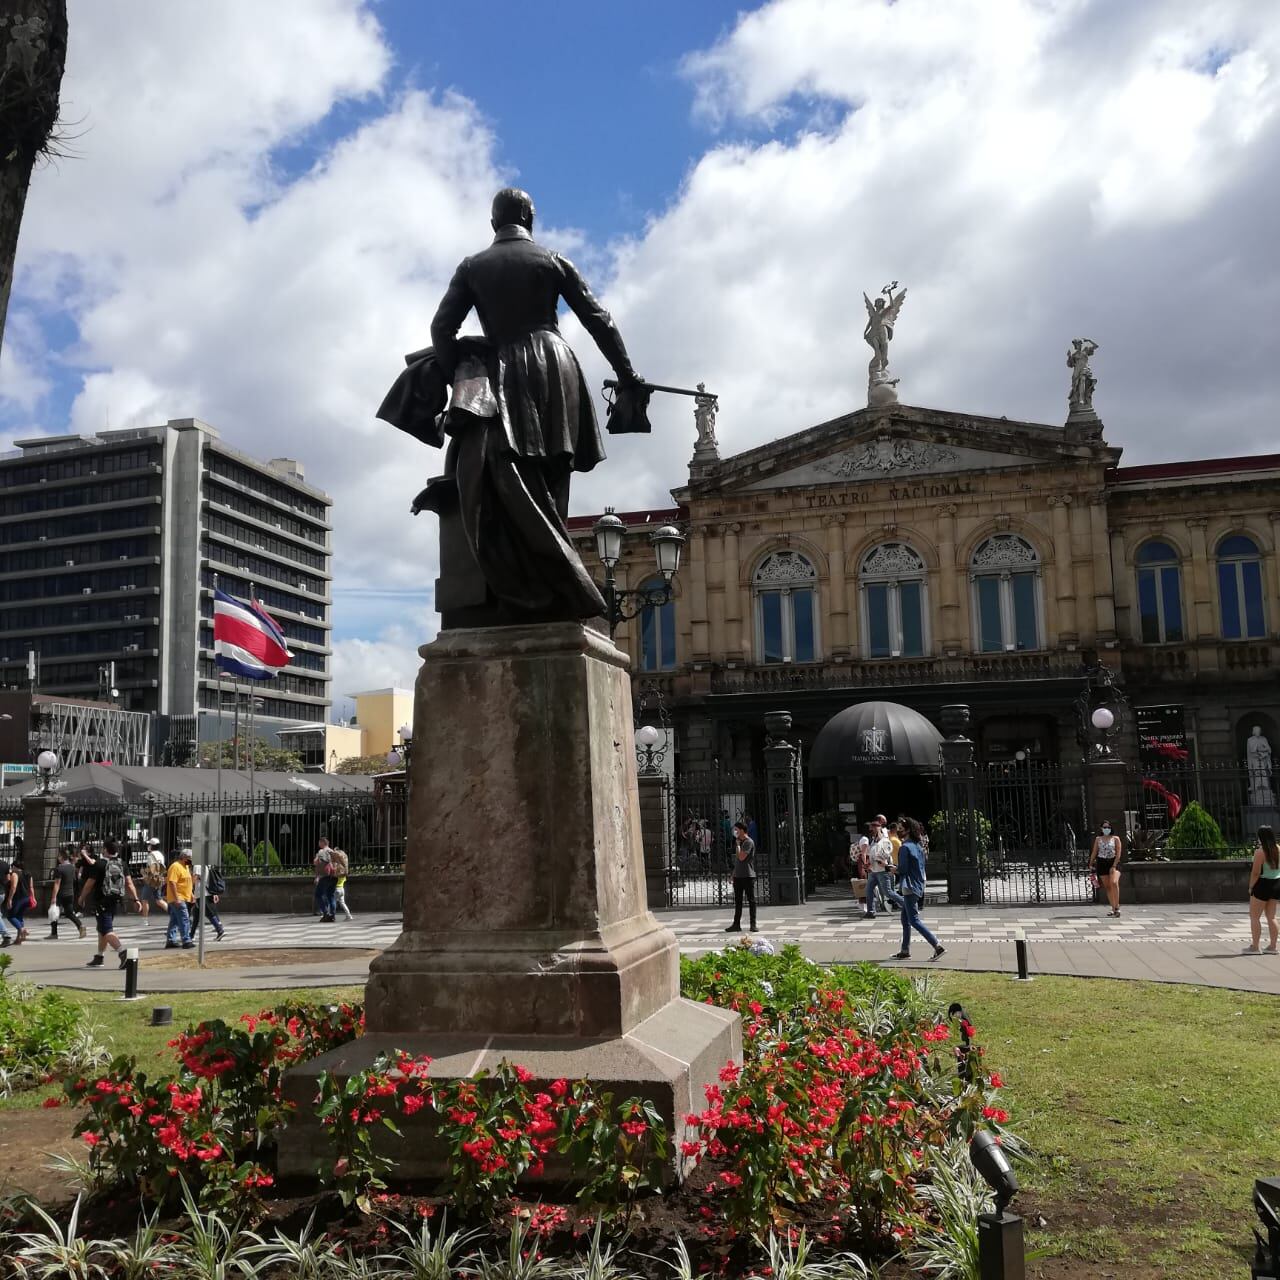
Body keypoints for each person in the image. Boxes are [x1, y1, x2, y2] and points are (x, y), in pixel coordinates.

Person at [78, 837, 141, 968]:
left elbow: (89, 884)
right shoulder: (121, 863)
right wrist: (136, 899)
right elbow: (129, 883)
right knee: (102, 930)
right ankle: (99, 956)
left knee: (107, 930)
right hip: (115, 899)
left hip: (102, 901)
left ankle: (123, 953)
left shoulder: (99, 864)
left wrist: (81, 898)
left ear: (105, 849)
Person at [891, 818, 945, 961]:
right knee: (905, 919)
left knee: (913, 920)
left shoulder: (905, 847)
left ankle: (937, 946)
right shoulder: (918, 846)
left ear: (908, 830)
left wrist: (892, 869)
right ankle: (905, 950)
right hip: (918, 885)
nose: (898, 831)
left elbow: (903, 869)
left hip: (908, 886)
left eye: (901, 828)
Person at [1246, 824, 1280, 955]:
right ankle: (1273, 946)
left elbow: (1255, 873)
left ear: (1261, 837)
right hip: (1276, 884)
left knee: (1254, 916)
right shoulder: (1278, 848)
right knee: (1271, 917)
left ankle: (1255, 947)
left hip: (1263, 885)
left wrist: (1251, 887)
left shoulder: (1260, 852)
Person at [865, 819, 903, 919]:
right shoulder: (873, 841)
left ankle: (909, 906)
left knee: (888, 893)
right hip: (874, 871)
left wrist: (880, 862)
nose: (871, 831)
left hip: (882, 872)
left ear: (879, 829)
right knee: (868, 890)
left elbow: (885, 856)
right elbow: (871, 854)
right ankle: (871, 911)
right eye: (870, 829)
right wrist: (869, 863)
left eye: (873, 829)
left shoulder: (885, 841)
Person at [46, 847, 86, 940]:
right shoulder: (72, 867)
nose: (57, 858)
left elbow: (57, 884)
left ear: (62, 857)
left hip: (61, 894)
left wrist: (53, 897)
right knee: (69, 913)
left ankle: (54, 933)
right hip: (70, 893)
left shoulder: (59, 869)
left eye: (59, 856)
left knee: (53, 912)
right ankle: (80, 926)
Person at [725, 820, 757, 934]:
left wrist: (738, 845)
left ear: (742, 830)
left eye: (736, 830)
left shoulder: (748, 842)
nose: (735, 832)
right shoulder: (740, 842)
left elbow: (741, 857)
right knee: (738, 901)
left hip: (748, 876)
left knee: (751, 900)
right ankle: (736, 924)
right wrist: (733, 875)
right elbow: (738, 862)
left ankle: (753, 924)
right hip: (738, 876)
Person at [1088, 820, 1123, 917]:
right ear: (1101, 828)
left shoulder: (1115, 838)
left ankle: (1117, 907)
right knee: (1107, 886)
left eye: (1108, 827)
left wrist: (1114, 865)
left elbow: (1119, 853)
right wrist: (1090, 863)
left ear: (1111, 828)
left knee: (1114, 882)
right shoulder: (1098, 839)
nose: (1106, 829)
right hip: (1102, 862)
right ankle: (1113, 908)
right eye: (1104, 827)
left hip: (1113, 862)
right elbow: (1095, 852)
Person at [163, 848, 195, 950]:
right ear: (184, 857)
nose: (191, 861)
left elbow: (187, 882)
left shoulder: (185, 867)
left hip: (182, 897)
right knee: (184, 918)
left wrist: (191, 895)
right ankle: (186, 940)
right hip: (177, 898)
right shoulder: (175, 867)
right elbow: (172, 882)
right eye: (190, 858)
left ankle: (171, 940)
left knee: (175, 920)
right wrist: (177, 898)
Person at [190, 860, 226, 942]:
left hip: (201, 894)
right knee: (196, 915)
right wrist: (214, 893)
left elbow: (194, 879)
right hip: (207, 892)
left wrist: (188, 886)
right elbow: (209, 880)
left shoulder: (198, 865)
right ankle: (191, 935)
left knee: (209, 914)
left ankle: (220, 930)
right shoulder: (208, 864)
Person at [3, 855, 33, 943]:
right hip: (27, 898)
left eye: (12, 867)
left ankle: (22, 929)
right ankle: (19, 939)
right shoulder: (28, 874)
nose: (11, 869)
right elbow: (31, 887)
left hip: (18, 898)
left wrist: (9, 899)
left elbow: (14, 887)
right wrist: (33, 897)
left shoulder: (15, 874)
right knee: (19, 917)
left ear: (15, 867)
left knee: (10, 916)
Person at [139, 839, 166, 922]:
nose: (148, 846)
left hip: (151, 880)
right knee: (159, 900)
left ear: (152, 846)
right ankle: (173, 913)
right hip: (159, 879)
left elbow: (151, 868)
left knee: (144, 900)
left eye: (149, 844)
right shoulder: (160, 855)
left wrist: (144, 874)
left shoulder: (151, 855)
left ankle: (145, 921)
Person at [314, 838, 338, 923]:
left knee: (318, 894)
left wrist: (318, 876)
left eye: (319, 842)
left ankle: (326, 914)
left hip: (325, 876)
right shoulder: (333, 851)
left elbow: (318, 864)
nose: (318, 844)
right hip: (334, 876)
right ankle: (333, 916)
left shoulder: (322, 851)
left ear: (323, 842)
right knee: (331, 895)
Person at [329, 842, 350, 922]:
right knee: (342, 903)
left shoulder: (336, 873)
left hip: (336, 889)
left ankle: (330, 915)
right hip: (342, 889)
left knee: (331, 902)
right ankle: (349, 915)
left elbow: (333, 877)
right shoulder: (343, 875)